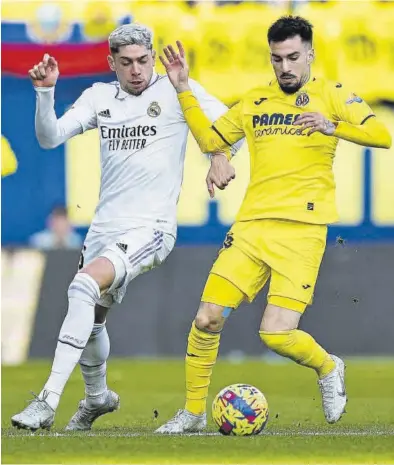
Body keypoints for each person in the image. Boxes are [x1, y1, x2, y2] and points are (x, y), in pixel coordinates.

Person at [156, 16, 392, 433]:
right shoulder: (253, 101)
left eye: (293, 58)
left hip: (303, 230)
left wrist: (332, 125)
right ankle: (192, 413)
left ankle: (327, 366)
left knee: (276, 334)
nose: (285, 67)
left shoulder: (332, 94)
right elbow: (212, 141)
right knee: (207, 318)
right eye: (277, 59)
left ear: (310, 55)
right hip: (251, 227)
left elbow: (381, 134)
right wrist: (183, 89)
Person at [11, 23, 238, 432]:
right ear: (111, 62)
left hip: (151, 227)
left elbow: (231, 128)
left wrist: (219, 155)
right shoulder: (99, 97)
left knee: (81, 286)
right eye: (127, 62)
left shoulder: (176, 88)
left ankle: (47, 401)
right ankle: (97, 397)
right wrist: (45, 93)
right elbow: (50, 137)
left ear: (153, 57)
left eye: (143, 61)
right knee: (92, 317)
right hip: (104, 228)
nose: (137, 70)